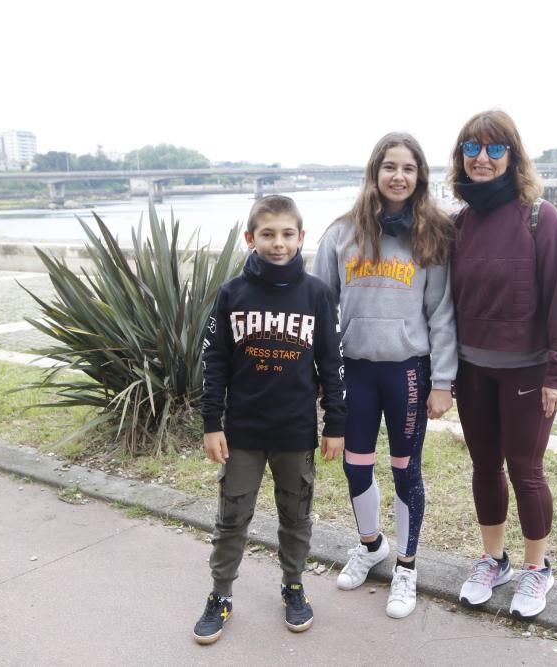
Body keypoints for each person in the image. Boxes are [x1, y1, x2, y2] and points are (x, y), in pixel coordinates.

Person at [312, 132, 457, 619]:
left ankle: (407, 566)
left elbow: (441, 313)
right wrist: (319, 376)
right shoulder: (339, 234)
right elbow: (321, 308)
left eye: (408, 168)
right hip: (355, 370)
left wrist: (442, 382)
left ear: (420, 177)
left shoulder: (430, 234)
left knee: (404, 470)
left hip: (408, 372)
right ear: (374, 172)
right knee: (355, 465)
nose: (398, 176)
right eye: (389, 166)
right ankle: (372, 545)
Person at [194, 194, 346, 644]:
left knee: (296, 517)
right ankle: (220, 595)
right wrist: (211, 422)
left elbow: (331, 364)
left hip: (296, 432)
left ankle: (293, 585)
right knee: (231, 518)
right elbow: (215, 362)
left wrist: (335, 423)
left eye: (286, 234)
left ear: (301, 237)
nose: (278, 244)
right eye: (267, 234)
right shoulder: (232, 293)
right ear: (250, 238)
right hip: (242, 431)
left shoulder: (317, 294)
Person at [448, 110, 557, 619]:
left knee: (526, 470)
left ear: (513, 156)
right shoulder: (460, 223)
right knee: (484, 466)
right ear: (461, 157)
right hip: (472, 370)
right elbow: (447, 302)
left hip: (528, 371)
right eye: (472, 148)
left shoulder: (538, 218)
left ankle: (536, 570)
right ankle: (493, 560)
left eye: (495, 149)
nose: (482, 158)